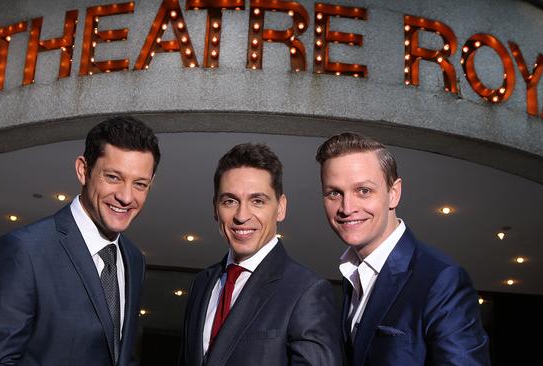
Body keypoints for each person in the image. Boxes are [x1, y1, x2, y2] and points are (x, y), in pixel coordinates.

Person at [0, 116, 160, 366]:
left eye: (140, 184)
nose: (126, 196)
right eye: (113, 177)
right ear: (83, 170)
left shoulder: (133, 259)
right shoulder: (24, 251)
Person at [316, 132, 490, 365]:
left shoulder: (441, 279)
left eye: (363, 191)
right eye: (334, 193)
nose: (347, 207)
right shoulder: (353, 274)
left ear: (394, 193)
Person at [179, 143, 342, 366]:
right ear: (215, 209)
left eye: (257, 201)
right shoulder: (201, 284)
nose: (242, 215)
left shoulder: (306, 291)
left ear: (281, 208)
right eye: (230, 201)